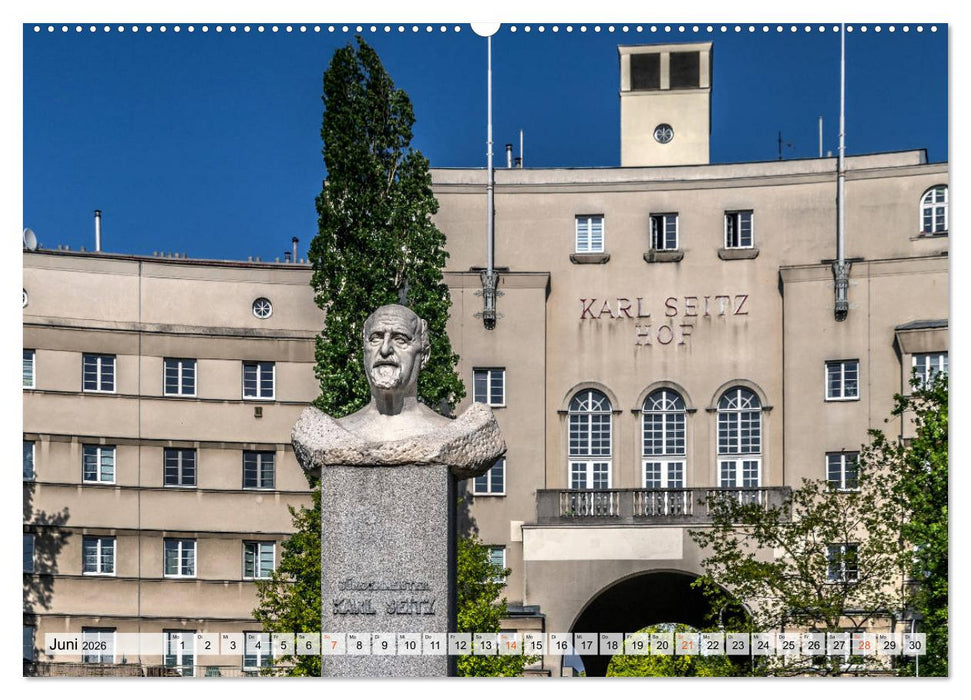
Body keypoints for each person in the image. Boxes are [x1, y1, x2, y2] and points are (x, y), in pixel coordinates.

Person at [337, 304, 451, 442]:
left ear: (424, 356)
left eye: (400, 339)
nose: (385, 350)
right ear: (364, 351)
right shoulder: (337, 431)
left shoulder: (446, 432)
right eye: (375, 339)